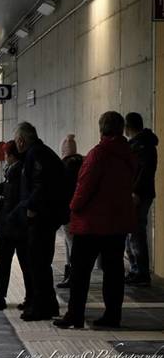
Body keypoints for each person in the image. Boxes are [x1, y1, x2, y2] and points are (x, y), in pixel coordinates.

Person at [54, 111, 136, 329]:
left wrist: (72, 207)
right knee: (114, 272)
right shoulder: (128, 153)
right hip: (117, 222)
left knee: (80, 272)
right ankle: (112, 315)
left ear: (101, 129)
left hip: (91, 223)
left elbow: (84, 187)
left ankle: (75, 315)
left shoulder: (98, 154)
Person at [14, 122, 68, 321]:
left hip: (42, 218)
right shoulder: (43, 152)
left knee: (37, 263)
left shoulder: (35, 155)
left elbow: (40, 184)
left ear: (21, 140)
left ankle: (40, 307)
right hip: (50, 216)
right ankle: (49, 304)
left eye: (16, 140)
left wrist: (31, 208)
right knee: (42, 263)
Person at [0, 140, 32, 311]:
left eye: (6, 154)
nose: (4, 157)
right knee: (23, 262)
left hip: (12, 226)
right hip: (16, 226)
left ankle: (1, 297)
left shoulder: (16, 171)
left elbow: (8, 194)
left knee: (7, 262)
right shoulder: (18, 170)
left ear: (11, 155)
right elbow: (4, 189)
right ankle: (29, 297)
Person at [124, 112, 159, 286]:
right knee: (132, 233)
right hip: (137, 194)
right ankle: (135, 270)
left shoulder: (143, 146)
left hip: (139, 195)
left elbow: (144, 172)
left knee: (136, 233)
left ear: (127, 127)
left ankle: (141, 273)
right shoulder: (140, 144)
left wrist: (135, 192)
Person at [57, 135, 84, 288]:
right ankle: (71, 274)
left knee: (71, 243)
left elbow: (63, 190)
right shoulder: (82, 163)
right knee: (72, 243)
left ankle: (72, 275)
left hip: (69, 210)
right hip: (80, 210)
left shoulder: (65, 166)